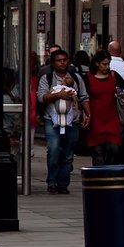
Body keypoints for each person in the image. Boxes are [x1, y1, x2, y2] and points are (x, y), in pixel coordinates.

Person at [38, 47, 88, 194]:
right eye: (59, 61)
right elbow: (41, 97)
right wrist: (58, 94)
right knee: (53, 150)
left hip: (72, 120)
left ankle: (63, 183)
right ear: (53, 63)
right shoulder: (46, 78)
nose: (62, 63)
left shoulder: (76, 78)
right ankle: (52, 181)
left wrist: (87, 114)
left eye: (65, 60)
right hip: (52, 120)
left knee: (68, 153)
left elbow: (84, 97)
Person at [83, 51, 124, 166]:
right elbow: (83, 97)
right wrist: (85, 115)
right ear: (97, 64)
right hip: (95, 119)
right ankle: (100, 177)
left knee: (114, 149)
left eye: (108, 64)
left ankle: (109, 173)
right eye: (104, 64)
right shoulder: (88, 78)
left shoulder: (113, 75)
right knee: (98, 153)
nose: (107, 67)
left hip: (112, 118)